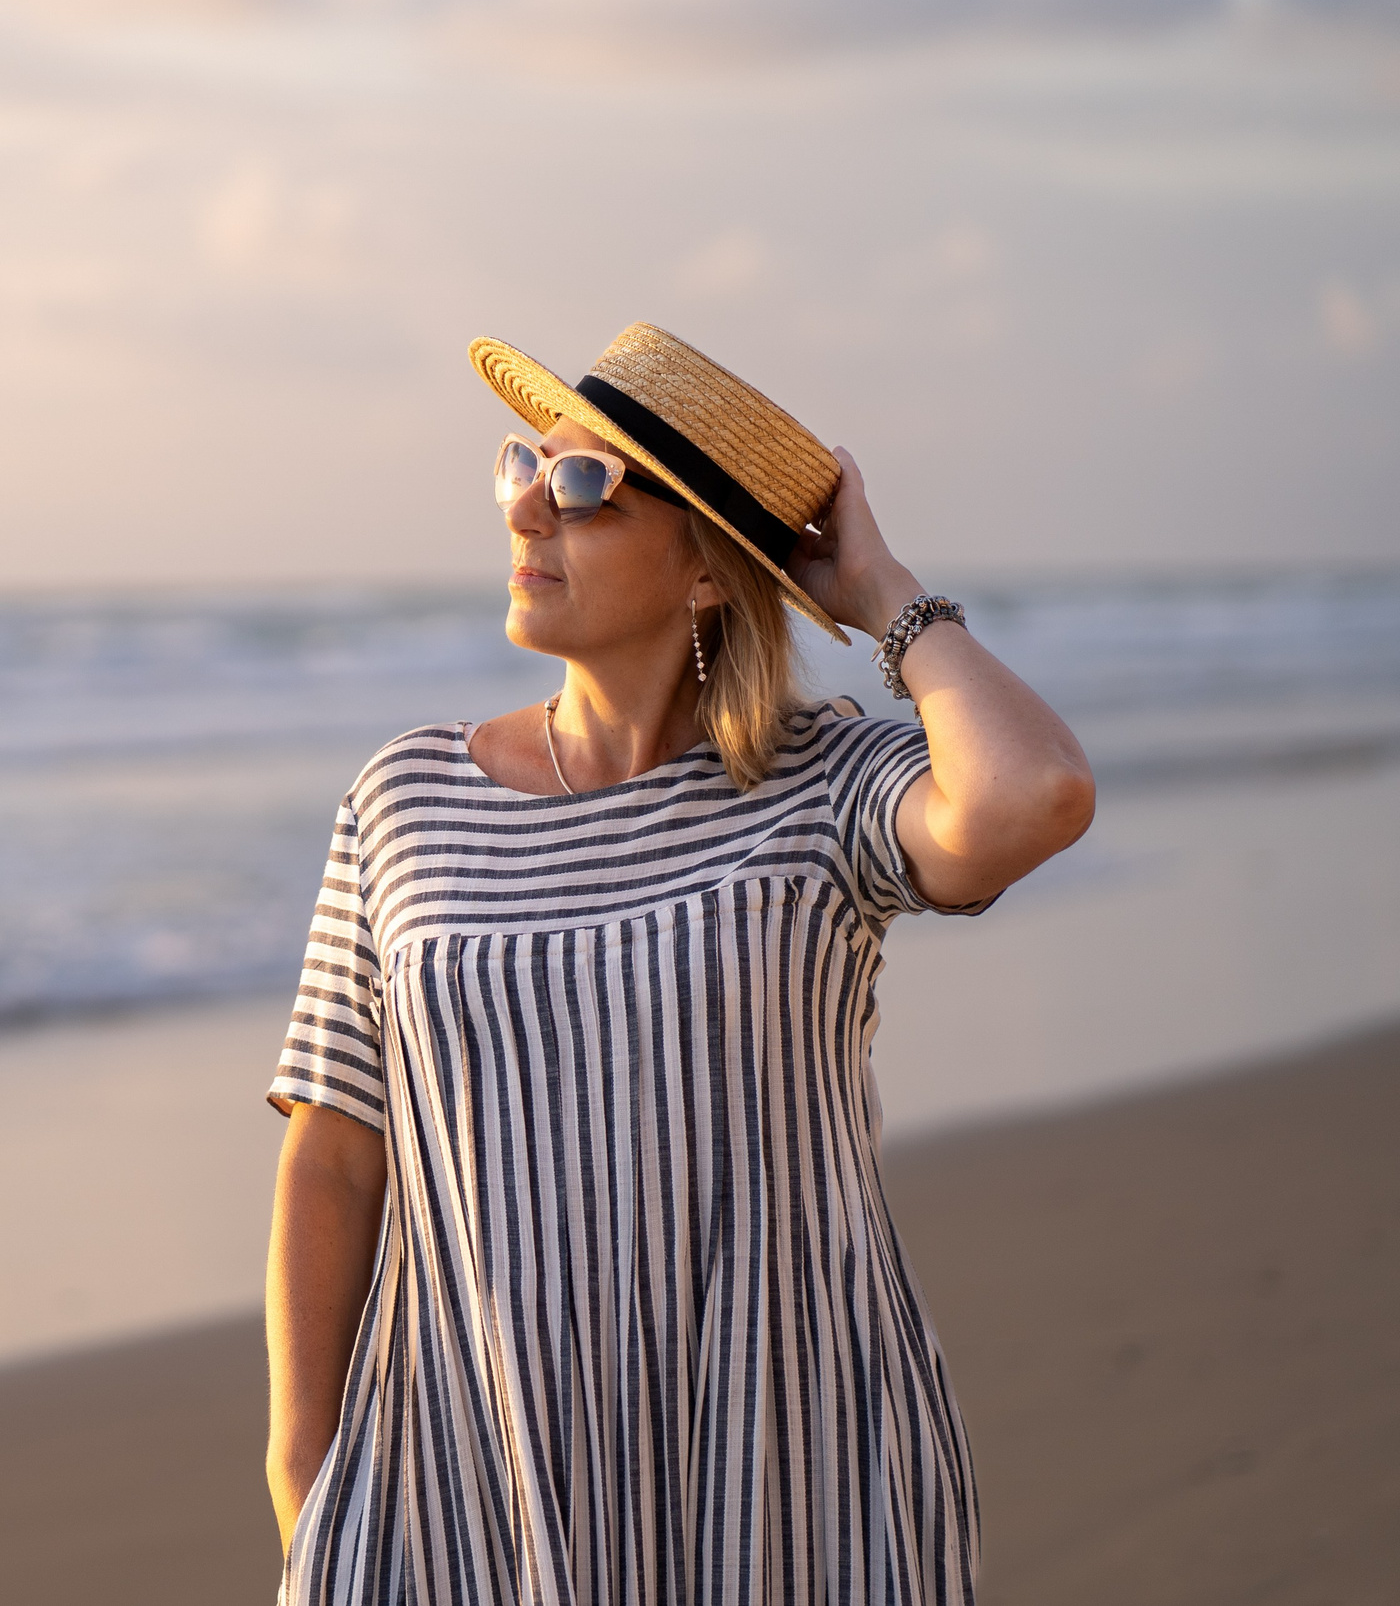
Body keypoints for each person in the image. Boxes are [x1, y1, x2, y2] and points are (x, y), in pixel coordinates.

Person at [262, 324, 1095, 1606]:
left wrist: (880, 594)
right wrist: (303, 1465)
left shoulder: (819, 784)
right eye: (520, 470)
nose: (530, 509)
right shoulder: (406, 801)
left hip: (786, 1468)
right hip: (473, 1480)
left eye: (585, 488)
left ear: (705, 565)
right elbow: (334, 1147)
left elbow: (1033, 795)